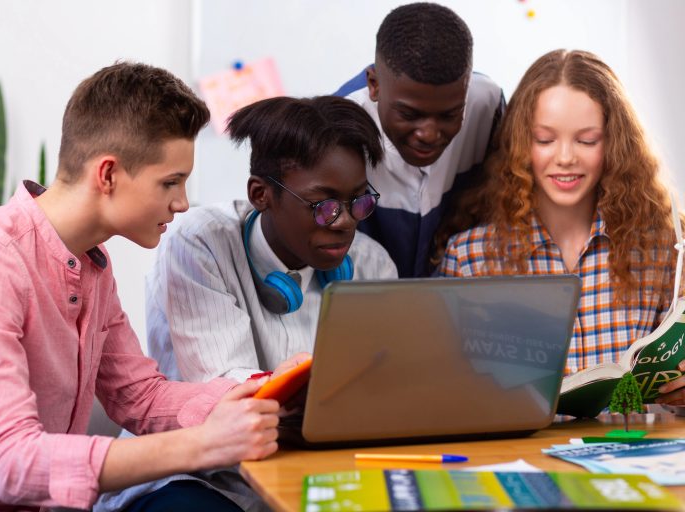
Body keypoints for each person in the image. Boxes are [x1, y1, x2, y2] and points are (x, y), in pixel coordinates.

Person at [0, 62, 288, 511]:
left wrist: (273, 388)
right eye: (170, 182)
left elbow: (141, 396)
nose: (182, 202)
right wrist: (205, 444)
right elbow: (11, 462)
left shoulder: (92, 264)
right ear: (108, 174)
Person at [95, 96, 397, 512]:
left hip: (317, 469)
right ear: (261, 194)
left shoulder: (372, 262)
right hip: (199, 474)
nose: (344, 221)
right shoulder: (201, 242)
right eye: (323, 205)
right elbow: (229, 395)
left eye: (359, 202)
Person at [437, 49, 685, 405]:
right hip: (519, 458)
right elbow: (448, 394)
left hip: (633, 452)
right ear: (522, 144)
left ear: (613, 143)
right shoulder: (469, 257)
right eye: (545, 140)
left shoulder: (665, 248)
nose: (565, 157)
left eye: (586, 140)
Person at [334, 2, 505, 277]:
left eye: (450, 114)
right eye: (409, 114)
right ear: (374, 84)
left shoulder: (487, 105)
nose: (429, 134)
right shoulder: (336, 127)